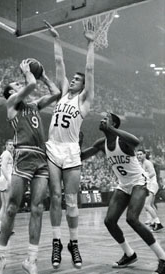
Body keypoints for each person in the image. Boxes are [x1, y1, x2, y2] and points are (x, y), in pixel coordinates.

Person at [0, 59, 61, 274]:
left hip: (41, 157)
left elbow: (57, 93)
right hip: (23, 156)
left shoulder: (33, 105)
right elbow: (29, 86)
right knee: (12, 207)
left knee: (38, 208)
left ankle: (31, 259)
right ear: (11, 92)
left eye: (19, 84)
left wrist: (44, 76)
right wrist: (26, 73)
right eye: (16, 85)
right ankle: (1, 258)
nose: (20, 85)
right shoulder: (12, 103)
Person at [81, 112, 165, 274]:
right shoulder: (101, 144)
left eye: (106, 119)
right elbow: (82, 156)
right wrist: (77, 147)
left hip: (139, 182)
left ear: (113, 124)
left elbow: (136, 141)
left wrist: (113, 130)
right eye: (102, 118)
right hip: (123, 185)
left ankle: (162, 257)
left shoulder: (123, 141)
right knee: (109, 221)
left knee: (132, 218)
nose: (102, 120)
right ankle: (129, 254)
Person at [44, 21, 95, 269]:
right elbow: (58, 64)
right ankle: (56, 242)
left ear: (83, 86)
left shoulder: (85, 101)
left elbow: (90, 69)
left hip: (71, 151)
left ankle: (74, 244)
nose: (72, 80)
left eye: (77, 79)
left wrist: (90, 43)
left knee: (71, 200)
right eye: (72, 79)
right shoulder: (64, 93)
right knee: (55, 197)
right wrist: (56, 39)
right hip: (54, 148)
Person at [137, 149, 164, 232]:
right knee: (151, 204)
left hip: (152, 185)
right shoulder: (142, 163)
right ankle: (154, 222)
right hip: (151, 185)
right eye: (137, 154)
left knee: (146, 205)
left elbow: (152, 173)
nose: (139, 156)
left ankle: (158, 223)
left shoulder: (147, 163)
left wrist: (143, 177)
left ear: (144, 155)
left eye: (141, 154)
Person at [0, 139, 14, 235]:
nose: (11, 146)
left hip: (2, 179)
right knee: (7, 205)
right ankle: (6, 228)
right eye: (9, 145)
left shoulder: (4, 154)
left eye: (12, 145)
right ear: (6, 145)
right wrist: (8, 179)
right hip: (6, 179)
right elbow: (3, 167)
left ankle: (0, 227)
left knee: (4, 205)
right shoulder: (7, 154)